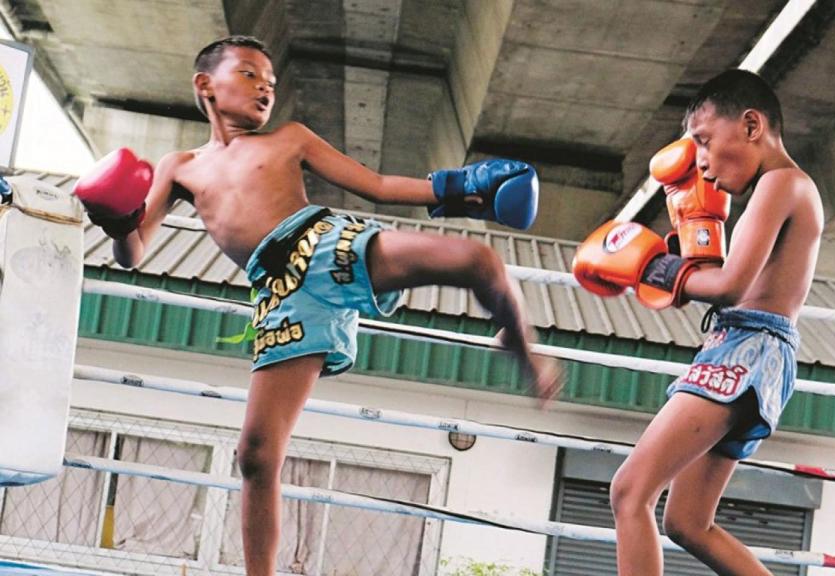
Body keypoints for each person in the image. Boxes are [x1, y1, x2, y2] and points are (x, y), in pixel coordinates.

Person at [73, 35, 561, 576]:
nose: (265, 88)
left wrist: (459, 189)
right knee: (256, 456)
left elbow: (375, 185)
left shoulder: (288, 139)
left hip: (325, 245)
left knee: (477, 260)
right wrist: (117, 220)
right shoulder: (180, 165)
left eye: (271, 83)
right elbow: (132, 254)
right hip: (280, 291)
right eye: (250, 74)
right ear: (205, 85)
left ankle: (521, 343)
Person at [572, 69, 823, 575]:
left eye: (704, 141)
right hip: (747, 349)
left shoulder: (782, 184)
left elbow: (728, 285)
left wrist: (654, 267)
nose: (701, 162)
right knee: (687, 521)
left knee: (629, 492)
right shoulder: (780, 190)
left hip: (746, 350)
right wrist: (694, 232)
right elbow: (716, 281)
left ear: (751, 125)